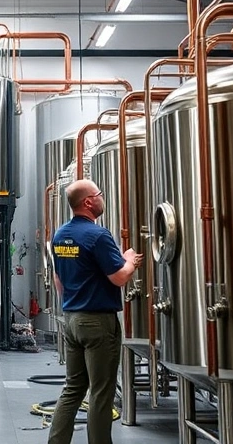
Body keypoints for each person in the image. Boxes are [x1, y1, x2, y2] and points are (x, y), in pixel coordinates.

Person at [48, 179, 142, 444]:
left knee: (73, 389)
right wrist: (130, 261)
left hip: (71, 320)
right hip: (98, 323)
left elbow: (58, 279)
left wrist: (72, 303)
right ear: (88, 202)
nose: (103, 197)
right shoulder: (98, 236)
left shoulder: (60, 235)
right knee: (101, 393)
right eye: (99, 193)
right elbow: (119, 278)